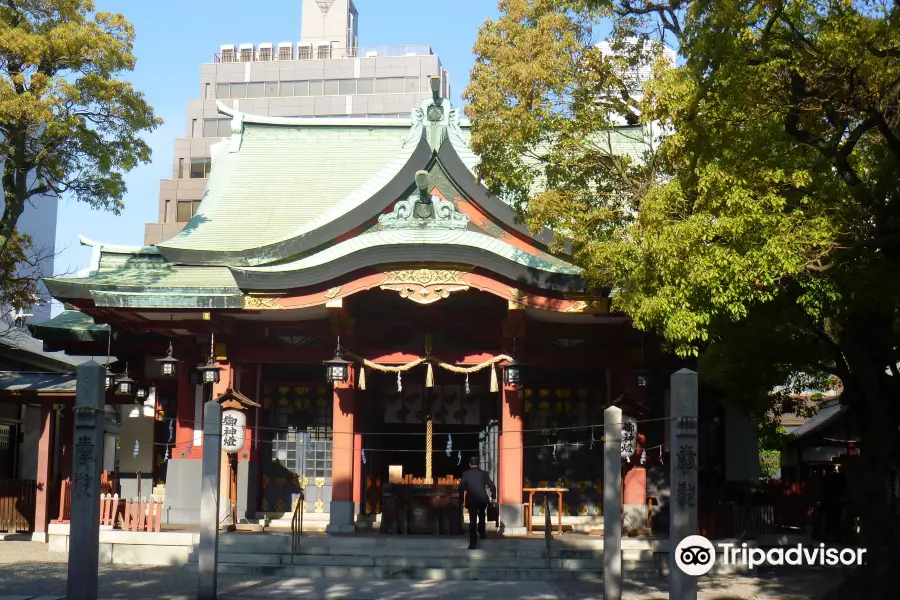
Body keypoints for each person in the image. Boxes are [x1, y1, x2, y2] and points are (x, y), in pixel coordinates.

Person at [459, 455, 496, 549]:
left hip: (471, 500)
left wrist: (461, 500)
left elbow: (461, 488)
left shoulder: (466, 474)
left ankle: (473, 543)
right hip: (482, 499)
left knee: (472, 520)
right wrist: (493, 497)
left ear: (470, 465)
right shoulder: (484, 474)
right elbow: (492, 486)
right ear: (479, 464)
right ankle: (482, 533)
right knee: (482, 515)